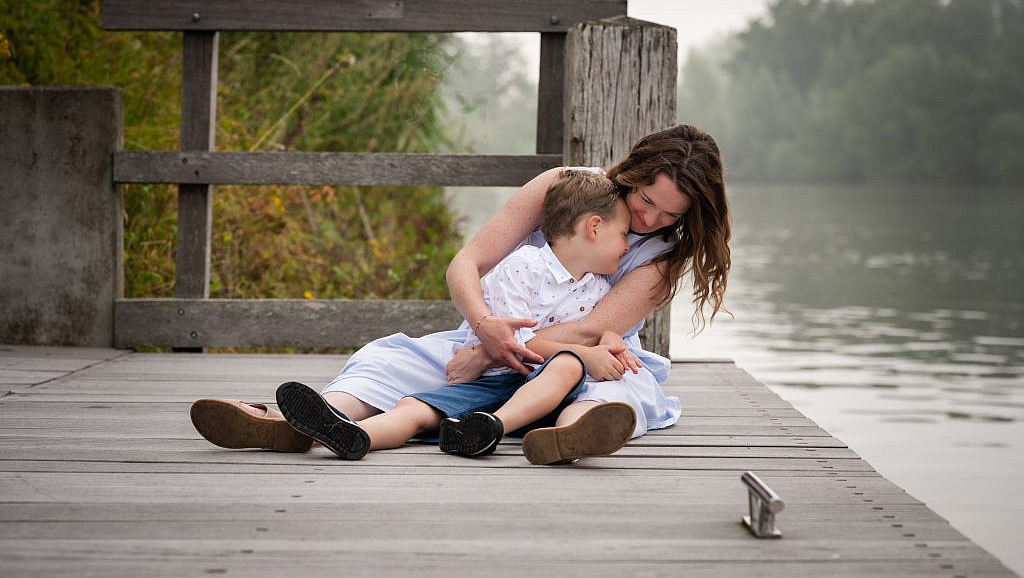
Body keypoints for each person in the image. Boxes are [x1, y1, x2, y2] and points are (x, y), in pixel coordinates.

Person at [191, 124, 731, 464]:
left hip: (584, 356)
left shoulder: (663, 255)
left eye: (670, 214)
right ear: (631, 173)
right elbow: (468, 262)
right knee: (394, 360)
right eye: (646, 199)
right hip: (492, 336)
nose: (650, 218)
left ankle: (571, 437)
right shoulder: (564, 187)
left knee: (614, 392)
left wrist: (493, 350)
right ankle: (305, 421)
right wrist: (483, 328)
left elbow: (592, 330)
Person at [269, 170, 639, 461]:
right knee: (415, 409)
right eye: (623, 234)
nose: (627, 246)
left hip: (541, 395)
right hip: (497, 379)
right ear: (593, 227)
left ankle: (512, 430)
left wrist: (609, 342)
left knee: (569, 367)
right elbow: (517, 345)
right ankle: (351, 434)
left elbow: (599, 331)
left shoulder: (596, 286)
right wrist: (587, 355)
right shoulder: (524, 267)